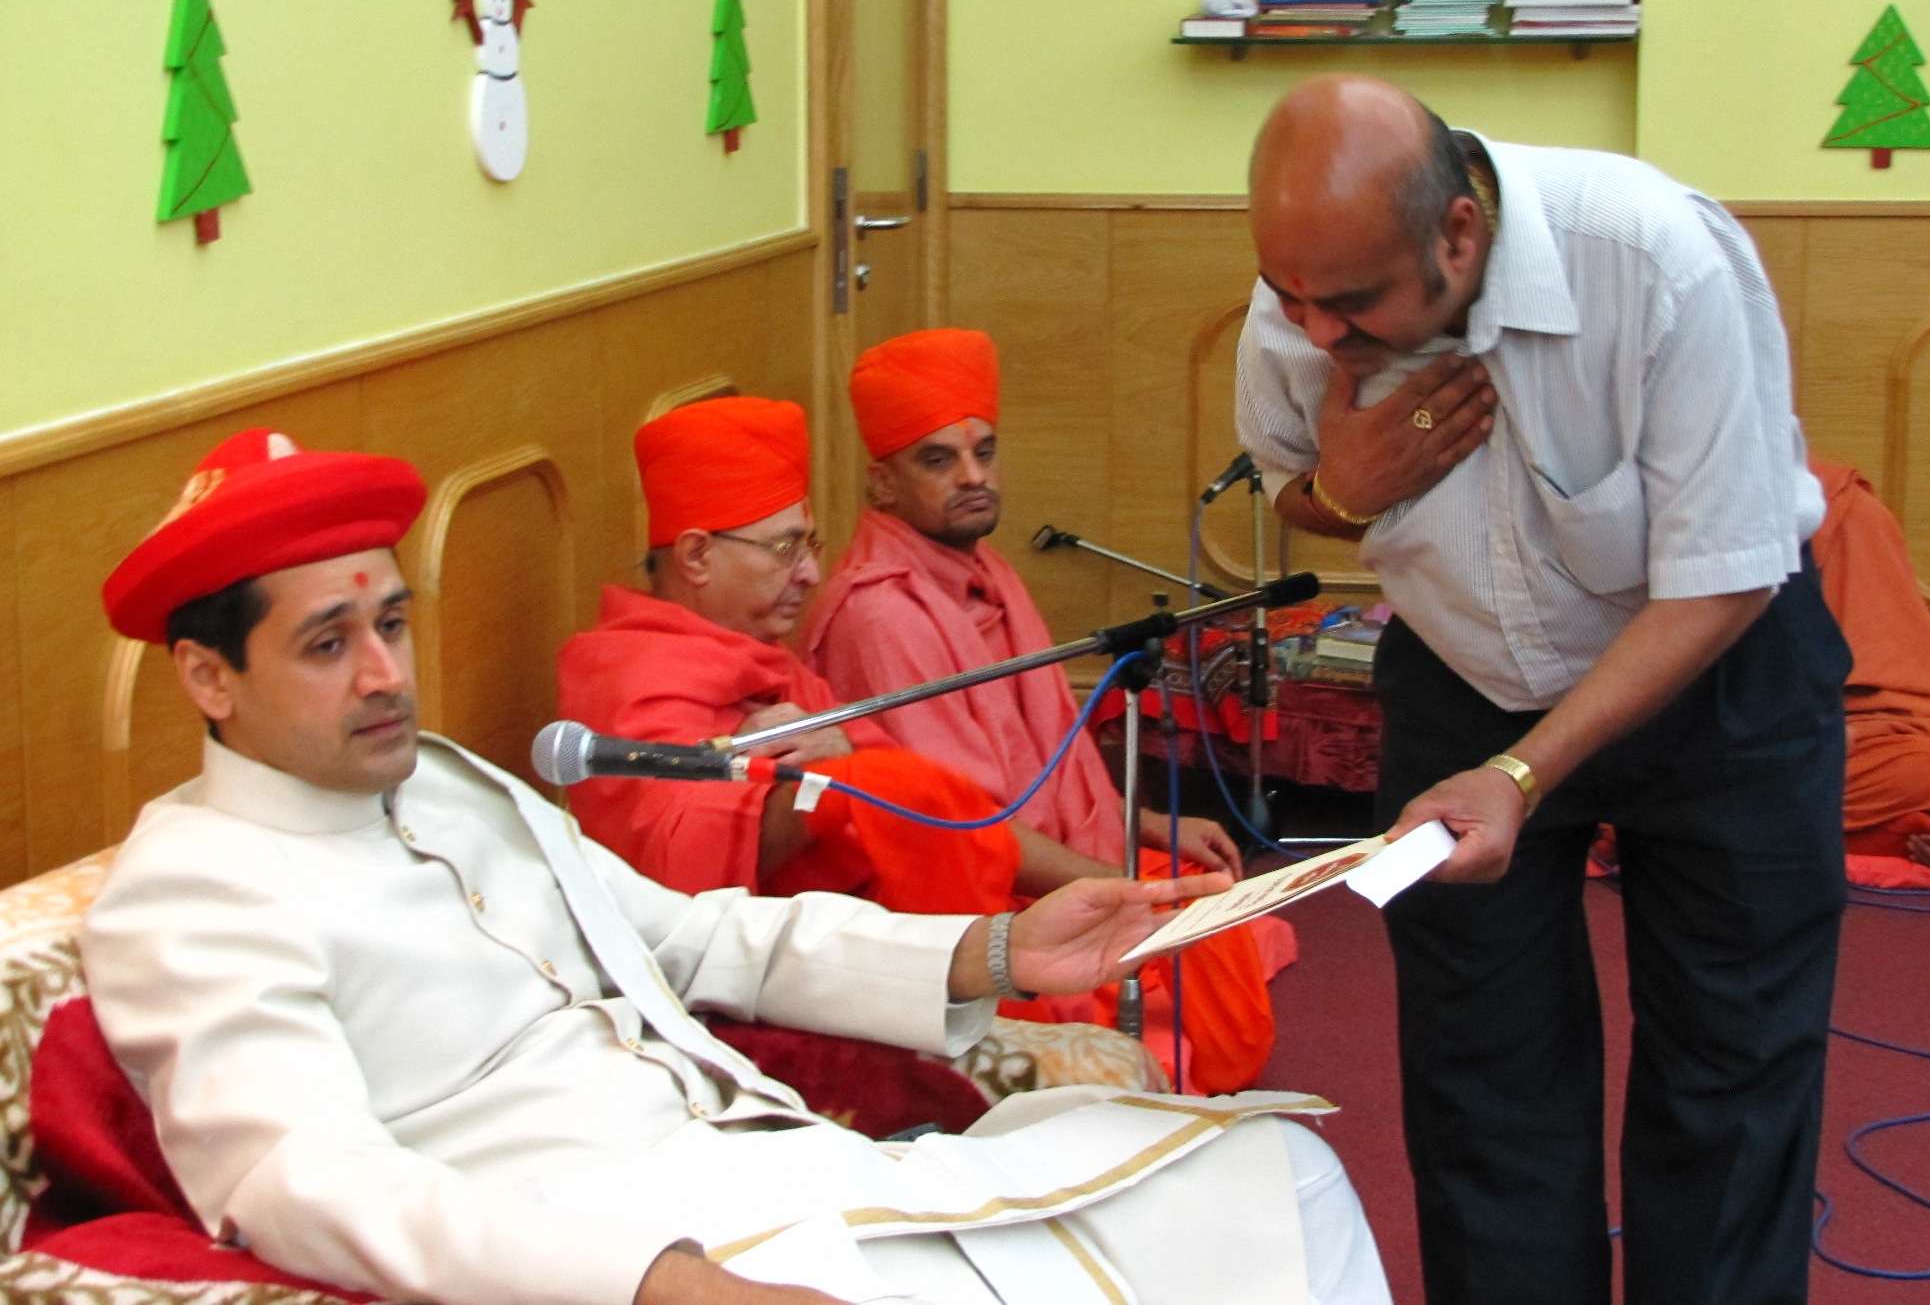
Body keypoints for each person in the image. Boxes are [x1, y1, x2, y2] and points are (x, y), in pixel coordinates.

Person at [82, 426, 1392, 1305]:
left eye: (391, 624)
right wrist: (652, 1277)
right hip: (619, 1252)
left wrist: (992, 950)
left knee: (1270, 1176)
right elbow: (302, 1186)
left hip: (776, 1169)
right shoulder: (190, 891)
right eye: (327, 646)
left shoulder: (452, 784)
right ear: (207, 674)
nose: (385, 678)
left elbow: (698, 939)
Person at [1236, 75, 1850, 1305]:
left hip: (1713, 670)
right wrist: (1345, 488)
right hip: (1463, 675)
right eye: (1290, 299)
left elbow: (1723, 577)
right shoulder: (1306, 298)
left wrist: (1524, 772)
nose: (1313, 334)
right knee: (1481, 1079)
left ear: (1456, 232)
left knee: (1728, 1075)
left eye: (1348, 307)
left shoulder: (1655, 255)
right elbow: (1298, 495)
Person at [802, 328, 1295, 1096]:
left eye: (984, 453)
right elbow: (968, 832)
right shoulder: (882, 616)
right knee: (1193, 989)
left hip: (1052, 863)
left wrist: (1148, 830)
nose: (973, 477)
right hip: (989, 904)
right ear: (880, 484)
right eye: (938, 460)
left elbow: (1048, 767)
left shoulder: (982, 566)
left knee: (1222, 910)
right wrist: (1122, 887)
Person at [557, 396, 1119, 920]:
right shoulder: (634, 680)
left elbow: (926, 804)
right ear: (697, 556)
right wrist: (822, 780)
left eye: (810, 545)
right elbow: (679, 888)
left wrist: (1116, 889)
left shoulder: (767, 661)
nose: (811, 574)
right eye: (785, 549)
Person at [1810, 456, 1930, 865]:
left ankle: (1688, 833)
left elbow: (1910, 697)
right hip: (1734, 733)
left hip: (1843, 736)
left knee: (1922, 770)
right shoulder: (1709, 515)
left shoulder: (1850, 510)